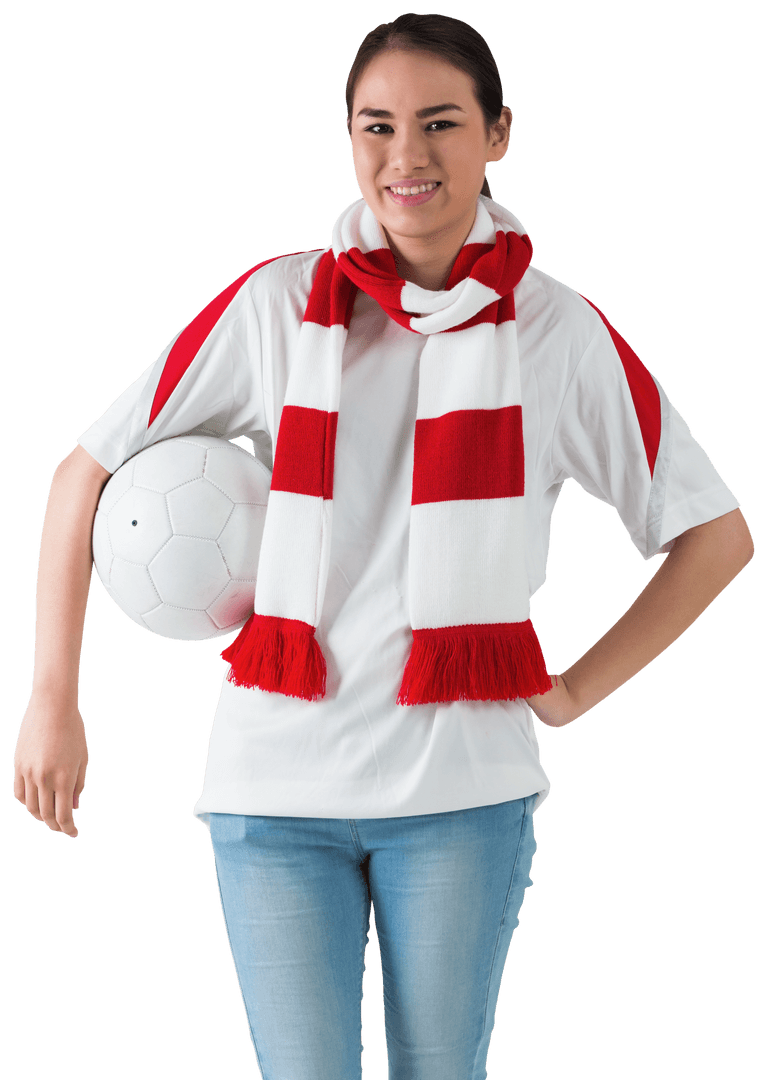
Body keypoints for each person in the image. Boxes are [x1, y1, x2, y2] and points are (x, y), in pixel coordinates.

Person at [13, 12, 753, 1080]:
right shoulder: (277, 305)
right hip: (273, 797)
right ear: (349, 138)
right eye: (377, 127)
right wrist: (51, 695)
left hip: (462, 795)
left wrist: (579, 689)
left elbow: (714, 534)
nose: (406, 157)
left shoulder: (556, 331)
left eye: (440, 123)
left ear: (499, 134)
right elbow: (81, 474)